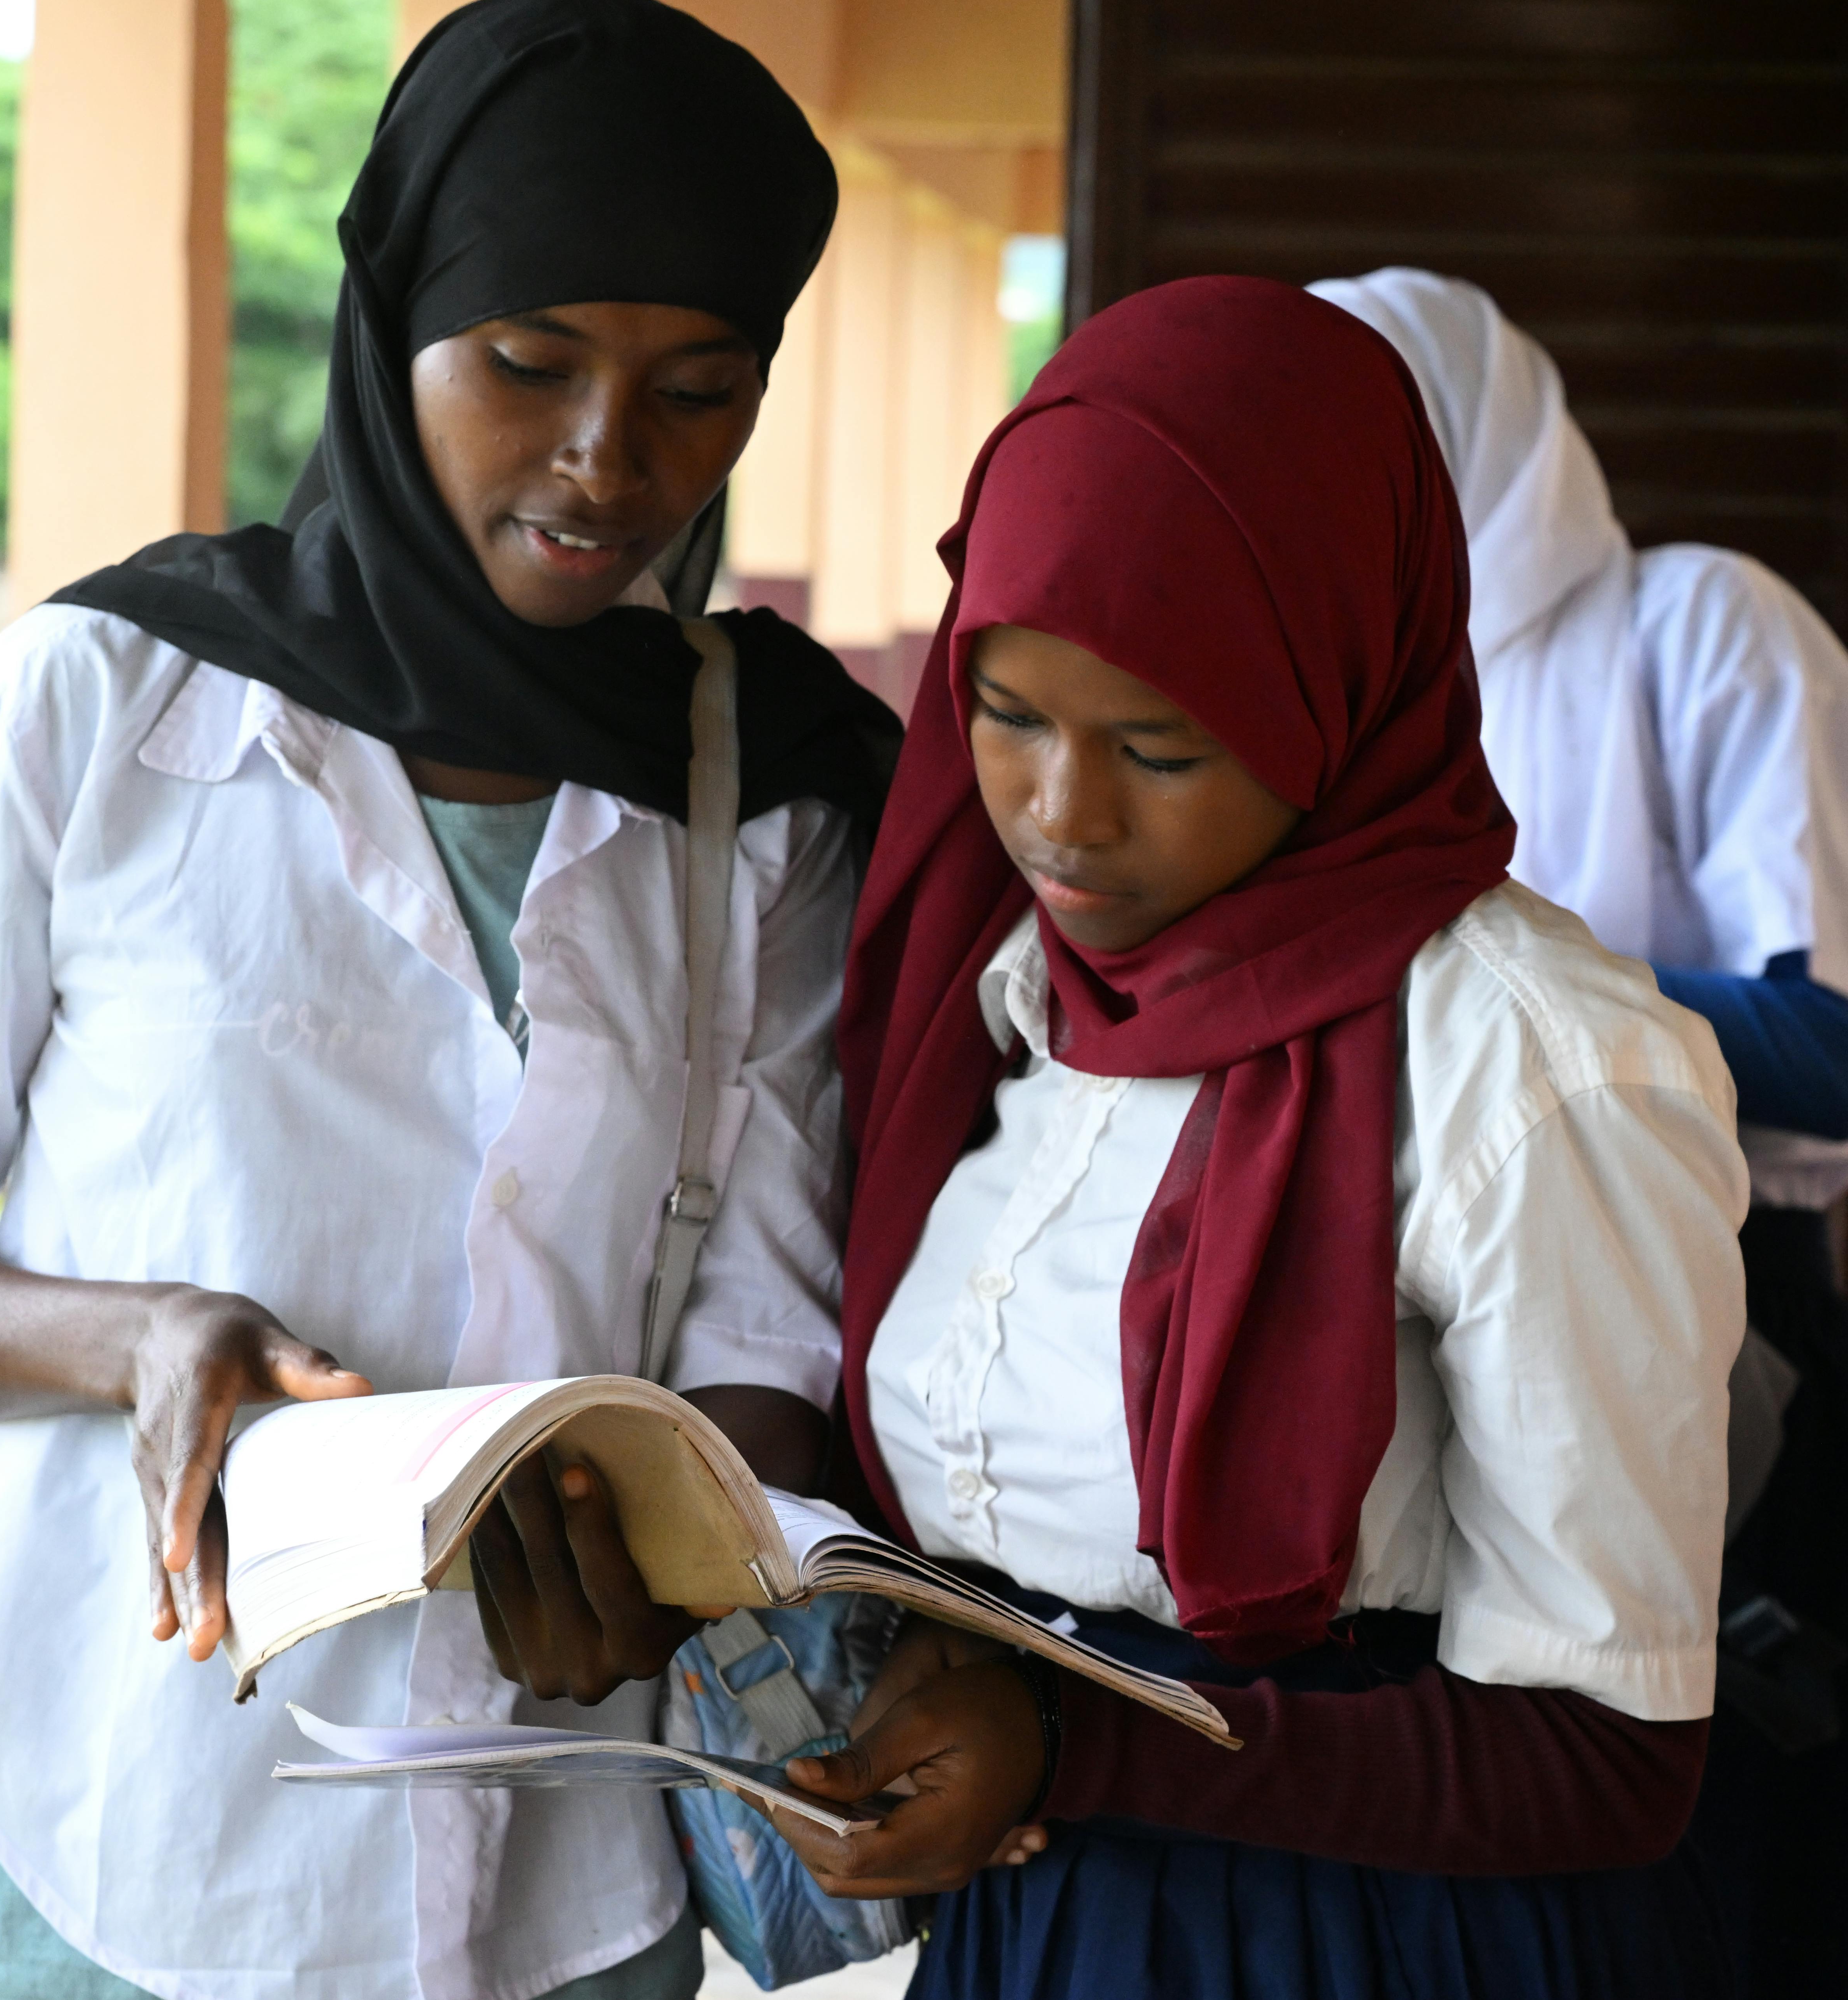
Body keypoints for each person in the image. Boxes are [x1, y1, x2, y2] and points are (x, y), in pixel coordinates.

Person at [0, 0, 895, 2000]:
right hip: (92, 1815)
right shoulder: (99, 708)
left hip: (554, 1851)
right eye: (526, 361)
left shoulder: (762, 804)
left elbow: (757, 1317)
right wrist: (128, 1335)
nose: (602, 458)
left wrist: (663, 1560)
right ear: (388, 333)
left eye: (696, 388)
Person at [769, 276, 1746, 1998]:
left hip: (1359, 1935)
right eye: (1004, 716)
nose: (1060, 817)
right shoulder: (1005, 997)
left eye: (1160, 747)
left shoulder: (1528, 1070)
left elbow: (1610, 1755)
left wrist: (1079, 1749)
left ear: (1335, 697)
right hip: (1042, 1918)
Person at [1307, 266, 1848, 1991]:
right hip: (1435, 1302)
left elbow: (1832, 1040)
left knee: (1707, 1775)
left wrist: (1508, 1009)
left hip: (1727, 1290)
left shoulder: (1696, 631)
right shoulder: (1333, 688)